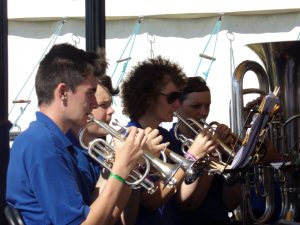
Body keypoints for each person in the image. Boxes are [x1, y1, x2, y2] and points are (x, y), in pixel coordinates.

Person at [6, 43, 147, 225]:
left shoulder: (54, 142)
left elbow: (107, 217)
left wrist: (129, 169)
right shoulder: (41, 144)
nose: (94, 104)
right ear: (63, 92)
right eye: (90, 93)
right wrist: (120, 169)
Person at [121, 56, 217, 225]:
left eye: (180, 97)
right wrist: (192, 157)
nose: (178, 104)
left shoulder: (166, 136)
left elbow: (182, 196)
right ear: (149, 97)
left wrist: (207, 157)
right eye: (172, 97)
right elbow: (151, 200)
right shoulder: (130, 137)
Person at [168, 76, 242, 225]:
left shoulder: (216, 142)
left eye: (207, 106)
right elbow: (188, 204)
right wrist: (212, 153)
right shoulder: (169, 144)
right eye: (196, 106)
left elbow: (231, 204)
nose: (204, 113)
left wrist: (232, 159)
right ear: (177, 106)